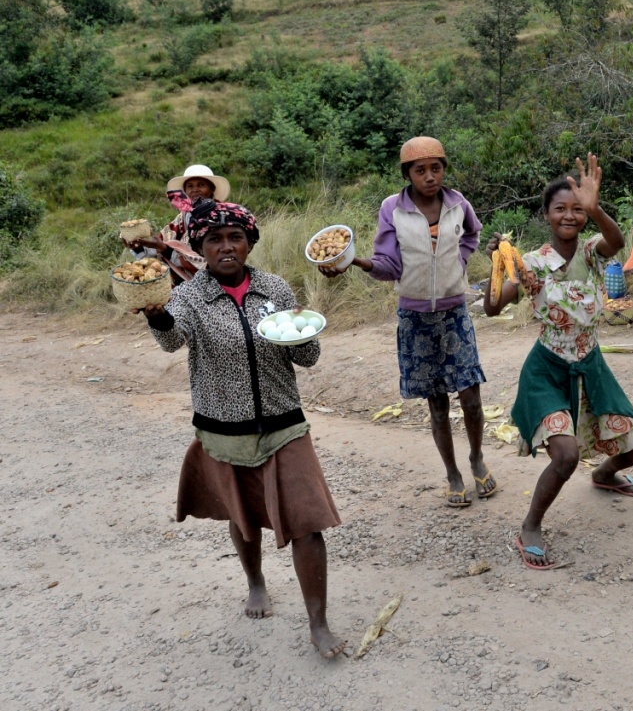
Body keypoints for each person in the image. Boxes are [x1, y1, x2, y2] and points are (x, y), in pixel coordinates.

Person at [136, 199, 345, 659]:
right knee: (243, 517)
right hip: (224, 429)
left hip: (284, 422)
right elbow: (174, 339)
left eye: (236, 238)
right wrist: (155, 313)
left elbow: (306, 358)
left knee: (308, 522)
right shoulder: (189, 296)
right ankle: (256, 583)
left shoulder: (273, 288)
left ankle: (319, 622)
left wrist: (303, 332)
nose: (226, 247)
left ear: (250, 243)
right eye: (214, 239)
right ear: (200, 247)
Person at [485, 154, 633, 569]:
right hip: (547, 368)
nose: (569, 215)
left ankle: (604, 476)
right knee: (565, 455)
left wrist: (596, 207)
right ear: (546, 215)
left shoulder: (593, 254)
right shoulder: (533, 264)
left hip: (590, 364)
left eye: (577, 209)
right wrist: (499, 266)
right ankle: (530, 526)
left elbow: (615, 242)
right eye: (560, 208)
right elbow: (492, 308)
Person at [325, 136, 495, 508]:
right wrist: (352, 260)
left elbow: (473, 233)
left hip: (454, 313)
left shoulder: (457, 202)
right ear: (408, 174)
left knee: (470, 395)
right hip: (415, 317)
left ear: (443, 170)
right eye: (420, 170)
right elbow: (388, 265)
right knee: (436, 402)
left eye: (436, 168)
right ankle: (452, 473)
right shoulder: (393, 210)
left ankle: (477, 457)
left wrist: (460, 262)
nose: (430, 176)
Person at [125, 163, 231, 284]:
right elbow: (158, 253)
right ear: (185, 191)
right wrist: (139, 247)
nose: (195, 189)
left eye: (201, 185)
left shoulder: (222, 216)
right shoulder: (180, 220)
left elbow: (211, 260)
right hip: (183, 286)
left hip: (217, 282)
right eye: (190, 186)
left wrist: (165, 249)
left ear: (211, 189)